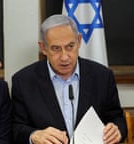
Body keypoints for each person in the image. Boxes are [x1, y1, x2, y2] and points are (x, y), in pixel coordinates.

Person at [11, 14, 127, 144]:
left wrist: (117, 130)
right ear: (43, 47)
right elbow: (15, 128)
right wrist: (33, 135)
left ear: (79, 41)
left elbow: (117, 118)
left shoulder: (102, 76)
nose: (64, 57)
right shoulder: (24, 81)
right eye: (56, 49)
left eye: (70, 46)